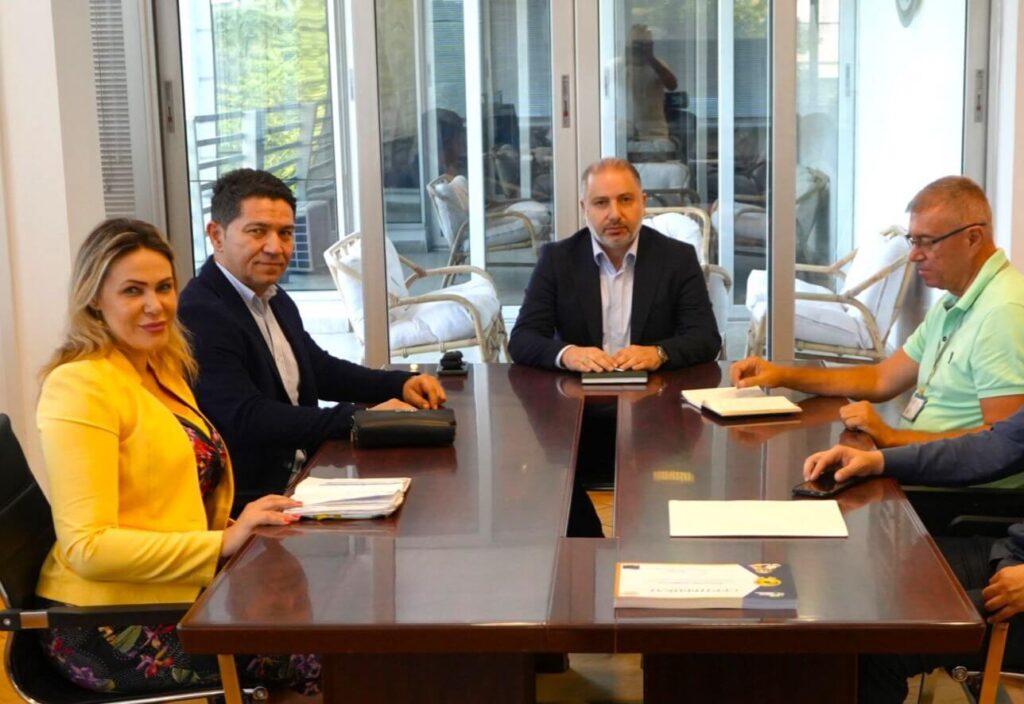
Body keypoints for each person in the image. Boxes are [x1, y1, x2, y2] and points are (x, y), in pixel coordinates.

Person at [34, 219, 319, 696]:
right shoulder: (80, 385)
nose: (156, 305)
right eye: (133, 290)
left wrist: (237, 525)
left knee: (322, 619)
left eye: (164, 287)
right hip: (107, 624)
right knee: (327, 651)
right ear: (94, 299)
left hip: (173, 596)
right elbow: (87, 548)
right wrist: (221, 545)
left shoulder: (159, 365)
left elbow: (166, 498)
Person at [179, 169, 446, 515]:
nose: (275, 247)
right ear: (217, 235)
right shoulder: (201, 312)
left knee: (423, 494)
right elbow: (248, 417)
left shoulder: (273, 297)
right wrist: (360, 418)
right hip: (255, 505)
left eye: (285, 233)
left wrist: (398, 384)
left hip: (304, 475)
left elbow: (318, 369)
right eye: (257, 231)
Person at [732, 176, 1024, 485]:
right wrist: (781, 375)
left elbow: (999, 444)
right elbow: (881, 379)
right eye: (913, 241)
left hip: (961, 491)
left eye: (927, 242)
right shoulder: (955, 299)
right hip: (921, 469)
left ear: (973, 238)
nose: (914, 255)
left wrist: (892, 439)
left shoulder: (1003, 311)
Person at [803, 413, 1024, 703]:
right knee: (861, 589)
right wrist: (878, 461)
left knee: (879, 645)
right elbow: (994, 447)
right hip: (1012, 551)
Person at [509, 157, 720, 372]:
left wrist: (659, 353)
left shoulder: (678, 258)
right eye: (601, 203)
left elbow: (705, 337)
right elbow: (522, 339)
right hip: (578, 387)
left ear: (643, 203)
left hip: (654, 386)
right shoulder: (557, 259)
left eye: (626, 200)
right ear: (584, 208)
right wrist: (567, 354)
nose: (615, 215)